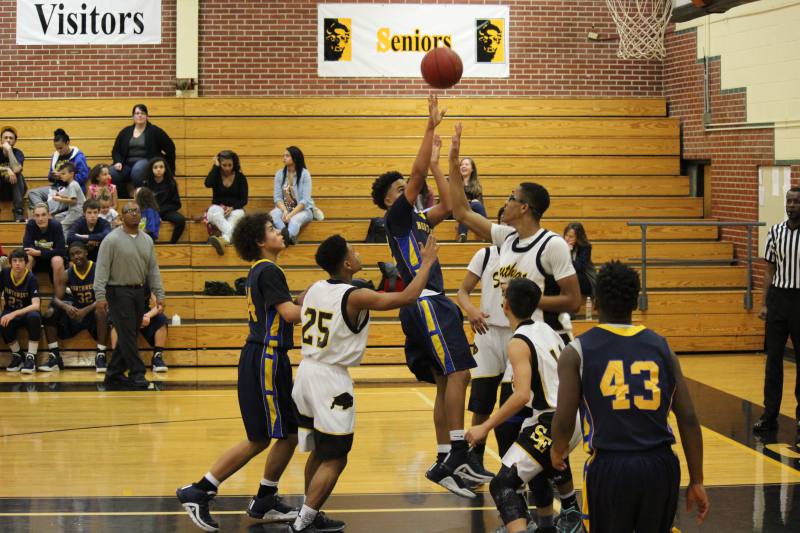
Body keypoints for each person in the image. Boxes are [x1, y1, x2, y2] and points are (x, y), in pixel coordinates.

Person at [370, 95, 485, 498]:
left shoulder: (417, 218)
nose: (409, 190)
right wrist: (429, 128)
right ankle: (457, 452)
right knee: (460, 373)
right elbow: (415, 174)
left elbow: (453, 205)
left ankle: (444, 461)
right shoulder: (397, 219)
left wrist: (441, 163)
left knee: (445, 381)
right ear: (389, 199)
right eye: (401, 189)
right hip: (427, 301)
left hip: (425, 303)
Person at [290, 234, 439, 532]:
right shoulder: (354, 295)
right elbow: (406, 297)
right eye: (354, 252)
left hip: (305, 371)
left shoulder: (314, 288)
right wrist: (427, 264)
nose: (358, 254)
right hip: (331, 379)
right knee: (337, 456)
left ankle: (311, 511)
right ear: (347, 263)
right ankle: (303, 522)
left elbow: (297, 307)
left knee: (321, 450)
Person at [550, 261, 710, 532]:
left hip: (611, 466)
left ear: (596, 302)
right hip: (660, 465)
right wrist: (697, 480)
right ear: (635, 301)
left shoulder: (576, 351)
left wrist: (557, 449)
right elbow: (689, 418)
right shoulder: (662, 347)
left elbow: (564, 420)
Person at [176, 212, 302, 532]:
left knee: (287, 434)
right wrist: (331, 302)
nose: (279, 232)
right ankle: (200, 490)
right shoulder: (269, 269)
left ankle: (265, 498)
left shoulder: (260, 270)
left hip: (264, 356)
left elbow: (282, 307)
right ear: (261, 242)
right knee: (261, 438)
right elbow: (289, 314)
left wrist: (309, 296)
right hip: (266, 357)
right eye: (273, 229)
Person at [447, 122, 581, 343]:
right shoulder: (507, 237)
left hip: (547, 338)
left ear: (524, 208)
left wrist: (526, 300)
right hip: (518, 336)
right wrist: (453, 162)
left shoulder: (552, 244)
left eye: (511, 198)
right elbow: (461, 213)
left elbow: (574, 301)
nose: (505, 203)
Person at [465, 278, 580, 533]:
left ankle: (528, 525)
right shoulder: (547, 329)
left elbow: (522, 396)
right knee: (538, 464)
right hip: (571, 419)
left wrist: (484, 427)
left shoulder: (518, 342)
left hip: (552, 421)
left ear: (505, 306)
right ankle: (568, 512)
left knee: (501, 486)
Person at [93, 201, 165, 390]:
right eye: (129, 211)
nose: (133, 214)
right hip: (118, 291)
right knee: (127, 334)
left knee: (129, 334)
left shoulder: (147, 240)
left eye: (136, 211)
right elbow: (101, 269)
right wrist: (100, 296)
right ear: (121, 216)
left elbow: (153, 270)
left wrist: (160, 293)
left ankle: (114, 375)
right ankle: (137, 374)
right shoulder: (111, 240)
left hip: (139, 292)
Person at [754, 187, 800, 436]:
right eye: (789, 201)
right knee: (773, 361)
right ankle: (769, 415)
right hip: (779, 299)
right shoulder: (775, 232)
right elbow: (769, 271)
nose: (791, 205)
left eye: (796, 202)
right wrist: (764, 303)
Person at [41, 241, 109, 372]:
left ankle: (101, 355)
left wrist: (85, 310)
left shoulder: (98, 269)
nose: (76, 256)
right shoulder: (67, 273)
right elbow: (56, 298)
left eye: (78, 253)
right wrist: (66, 307)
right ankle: (54, 356)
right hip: (76, 313)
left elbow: (106, 298)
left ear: (86, 253)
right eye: (72, 254)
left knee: (101, 311)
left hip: (94, 312)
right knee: (50, 312)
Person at [110, 104, 176, 198]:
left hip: (146, 162)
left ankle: (141, 197)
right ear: (133, 116)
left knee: (137, 170)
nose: (140, 115)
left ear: (147, 116)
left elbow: (170, 148)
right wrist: (117, 161)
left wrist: (170, 170)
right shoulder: (125, 132)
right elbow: (115, 150)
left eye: (142, 113)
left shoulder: (155, 131)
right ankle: (124, 197)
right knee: (112, 172)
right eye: (137, 113)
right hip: (126, 165)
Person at [28, 129, 90, 215]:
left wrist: (63, 177)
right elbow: (50, 176)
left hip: (70, 191)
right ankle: (42, 211)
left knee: (51, 203)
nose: (59, 151)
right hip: (56, 188)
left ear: (67, 142)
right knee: (33, 193)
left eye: (61, 148)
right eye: (57, 148)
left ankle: (41, 212)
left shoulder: (78, 157)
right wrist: (53, 176)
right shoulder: (55, 156)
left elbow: (84, 176)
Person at [110, 286, 168, 372]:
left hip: (144, 313)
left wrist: (148, 315)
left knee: (162, 320)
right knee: (115, 321)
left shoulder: (147, 278)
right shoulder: (121, 278)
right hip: (124, 312)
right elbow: (114, 304)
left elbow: (160, 306)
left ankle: (157, 357)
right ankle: (118, 360)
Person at [2, 249, 42, 374]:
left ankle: (31, 357)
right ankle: (18, 355)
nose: (17, 263)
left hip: (27, 312)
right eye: (14, 261)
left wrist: (14, 313)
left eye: (20, 261)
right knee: (3, 321)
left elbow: (36, 306)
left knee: (35, 317)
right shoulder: (4, 274)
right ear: (10, 263)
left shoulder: (31, 278)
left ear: (26, 263)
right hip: (10, 310)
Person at [204, 150, 248, 255]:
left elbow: (244, 200)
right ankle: (232, 237)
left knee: (239, 214)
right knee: (215, 211)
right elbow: (207, 183)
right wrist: (215, 167)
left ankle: (224, 240)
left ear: (234, 164)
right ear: (220, 164)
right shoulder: (216, 175)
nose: (227, 168)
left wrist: (232, 208)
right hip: (217, 208)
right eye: (224, 165)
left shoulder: (241, 177)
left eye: (230, 165)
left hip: (234, 209)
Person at [270, 146, 314, 245]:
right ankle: (289, 238)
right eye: (284, 155)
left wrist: (290, 215)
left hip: (303, 210)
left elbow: (305, 201)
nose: (284, 158)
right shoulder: (279, 174)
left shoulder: (305, 174)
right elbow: (277, 198)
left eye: (287, 156)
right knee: (274, 214)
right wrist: (285, 210)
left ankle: (285, 240)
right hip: (285, 208)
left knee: (294, 220)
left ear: (295, 158)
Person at [23, 203, 67, 297]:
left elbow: (61, 251)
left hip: (51, 261)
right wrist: (50, 251)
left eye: (43, 215)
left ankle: (59, 300)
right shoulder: (30, 225)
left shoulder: (56, 226)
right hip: (36, 261)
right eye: (37, 215)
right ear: (33, 217)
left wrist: (39, 252)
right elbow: (26, 248)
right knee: (27, 257)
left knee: (58, 260)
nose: (40, 219)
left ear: (49, 215)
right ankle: (26, 297)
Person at [143, 156, 185, 243]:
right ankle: (150, 242)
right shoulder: (146, 183)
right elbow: (144, 203)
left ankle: (172, 243)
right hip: (151, 212)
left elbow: (177, 203)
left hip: (166, 212)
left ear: (165, 169)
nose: (158, 169)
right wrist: (155, 214)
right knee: (148, 218)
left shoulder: (171, 183)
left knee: (181, 220)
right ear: (151, 169)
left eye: (161, 167)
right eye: (155, 167)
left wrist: (160, 212)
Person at [47, 162, 86, 237]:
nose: (61, 176)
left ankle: (65, 242)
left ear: (71, 174)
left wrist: (59, 199)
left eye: (63, 174)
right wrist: (60, 195)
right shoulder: (72, 184)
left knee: (62, 226)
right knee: (57, 217)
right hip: (73, 210)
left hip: (77, 211)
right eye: (60, 174)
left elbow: (73, 201)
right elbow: (70, 197)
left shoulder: (73, 185)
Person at [456, 157, 487, 242]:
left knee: (476, 205)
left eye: (466, 164)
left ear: (472, 169)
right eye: (461, 165)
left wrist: (473, 203)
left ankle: (462, 234)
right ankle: (487, 232)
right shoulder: (452, 181)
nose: (463, 166)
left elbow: (480, 205)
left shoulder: (476, 186)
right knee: (467, 207)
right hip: (454, 210)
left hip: (468, 211)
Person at [0, 126, 27, 221]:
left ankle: (18, 213)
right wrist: (6, 169)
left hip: (14, 190)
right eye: (5, 137)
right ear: (1, 140)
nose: (8, 140)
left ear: (15, 141)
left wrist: (10, 151)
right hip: (1, 190)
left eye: (11, 138)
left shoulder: (18, 153)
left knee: (17, 175)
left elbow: (16, 169)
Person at [563, 222, 595, 297]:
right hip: (569, 275)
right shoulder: (561, 244)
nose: (567, 239)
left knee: (571, 277)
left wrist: (567, 253)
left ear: (578, 238)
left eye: (571, 237)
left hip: (585, 277)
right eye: (566, 235)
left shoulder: (585, 247)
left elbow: (579, 267)